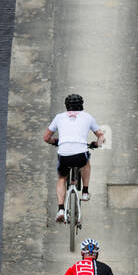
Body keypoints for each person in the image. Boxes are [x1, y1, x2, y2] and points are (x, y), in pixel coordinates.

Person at [43, 93, 105, 223]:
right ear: (81, 105)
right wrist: (97, 144)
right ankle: (85, 192)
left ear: (67, 106)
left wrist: (55, 141)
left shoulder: (59, 117)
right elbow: (101, 136)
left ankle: (60, 209)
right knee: (86, 162)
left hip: (64, 155)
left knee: (61, 178)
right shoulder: (87, 117)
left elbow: (46, 138)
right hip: (80, 154)